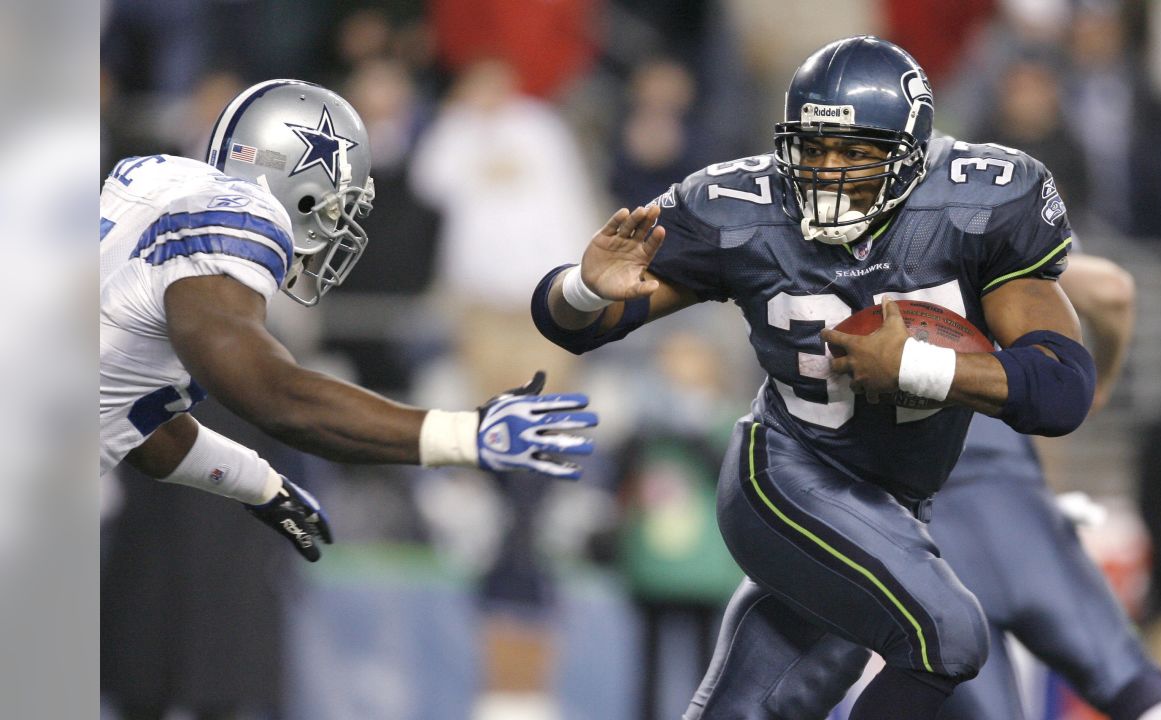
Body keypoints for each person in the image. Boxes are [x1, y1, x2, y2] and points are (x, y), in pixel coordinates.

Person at [531, 36, 1097, 718]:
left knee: (758, 706)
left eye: (856, 151)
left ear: (910, 150)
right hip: (787, 479)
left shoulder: (980, 203)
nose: (829, 171)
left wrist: (919, 367)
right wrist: (587, 291)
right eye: (814, 148)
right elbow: (576, 325)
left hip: (891, 504)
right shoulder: (739, 204)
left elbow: (1062, 388)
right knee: (946, 633)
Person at [100, 79, 597, 562]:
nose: (339, 224)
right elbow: (277, 395)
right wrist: (466, 435)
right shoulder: (246, 218)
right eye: (340, 203)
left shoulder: (154, 179)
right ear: (302, 185)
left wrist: (259, 484)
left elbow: (140, 422)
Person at [931, 253, 1161, 719]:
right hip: (1017, 504)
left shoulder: (837, 257)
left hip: (921, 527)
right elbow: (1112, 291)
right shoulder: (996, 233)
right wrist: (1096, 387)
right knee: (1135, 686)